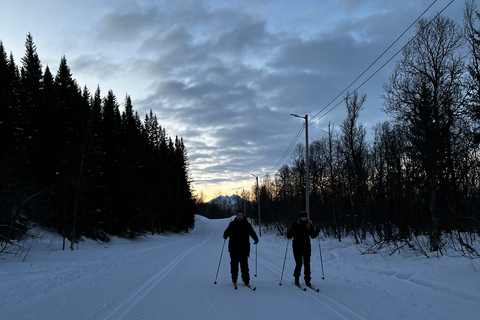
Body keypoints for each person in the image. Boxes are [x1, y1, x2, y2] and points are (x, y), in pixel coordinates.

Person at [223, 211, 259, 285]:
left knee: (244, 265)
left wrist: (256, 239)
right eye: (238, 215)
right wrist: (225, 235)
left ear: (243, 216)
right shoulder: (232, 224)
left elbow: (252, 232)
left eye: (241, 215)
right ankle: (234, 279)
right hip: (233, 248)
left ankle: (246, 280)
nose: (240, 217)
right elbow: (226, 232)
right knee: (234, 265)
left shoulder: (247, 224)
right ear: (236, 216)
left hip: (244, 248)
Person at [287, 210, 319, 286]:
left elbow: (312, 236)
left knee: (307, 264)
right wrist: (290, 231)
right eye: (302, 217)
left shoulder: (309, 225)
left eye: (305, 217)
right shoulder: (295, 224)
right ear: (300, 217)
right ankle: (296, 279)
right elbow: (289, 236)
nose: (303, 218)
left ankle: (307, 280)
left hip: (306, 246)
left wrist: (317, 231)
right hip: (297, 246)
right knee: (299, 263)